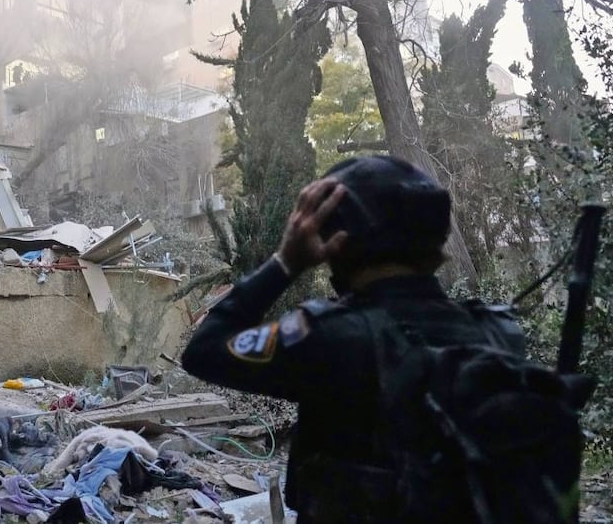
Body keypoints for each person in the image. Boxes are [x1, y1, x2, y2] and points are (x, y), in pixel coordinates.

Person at [181, 155, 526, 523]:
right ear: (437, 243)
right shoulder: (499, 334)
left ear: (337, 243)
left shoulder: (328, 337)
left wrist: (286, 262)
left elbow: (204, 350)